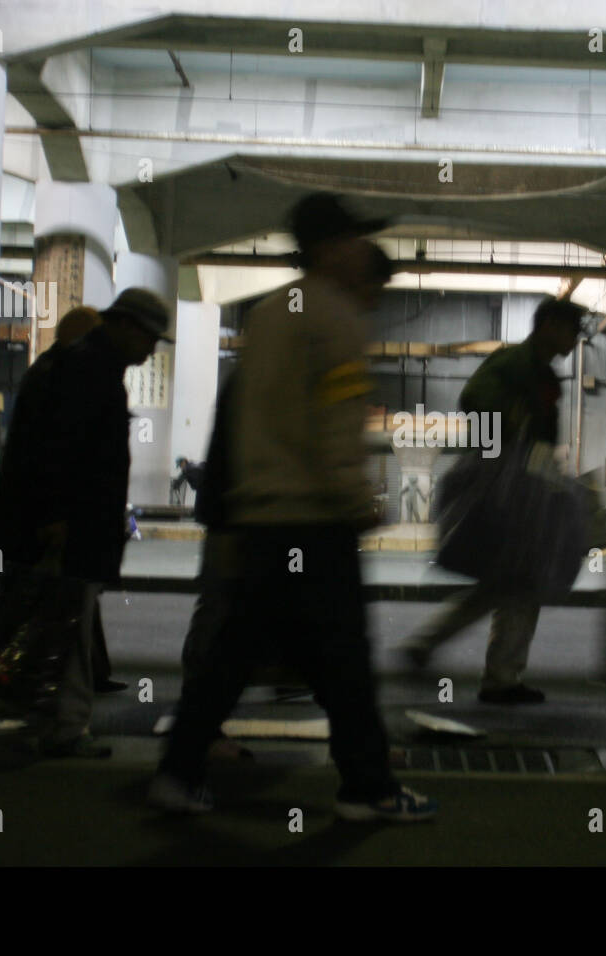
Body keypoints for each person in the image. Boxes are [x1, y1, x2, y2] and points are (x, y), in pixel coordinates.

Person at [152, 194, 435, 821]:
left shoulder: (276, 311)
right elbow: (335, 421)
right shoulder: (332, 315)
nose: (366, 251)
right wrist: (358, 500)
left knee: (235, 653)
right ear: (331, 246)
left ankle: (177, 772)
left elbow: (248, 420)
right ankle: (367, 788)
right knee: (345, 659)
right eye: (357, 240)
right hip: (314, 518)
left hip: (265, 517)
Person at [0, 289, 168, 758]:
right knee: (69, 622)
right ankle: (64, 726)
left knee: (61, 620)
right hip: (74, 526)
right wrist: (57, 517)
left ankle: (44, 714)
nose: (152, 349)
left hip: (74, 523)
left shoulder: (87, 366)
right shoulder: (88, 369)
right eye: (150, 338)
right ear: (125, 326)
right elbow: (62, 450)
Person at [397, 295, 586, 704]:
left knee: (505, 582)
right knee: (521, 582)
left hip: (521, 485)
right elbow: (474, 400)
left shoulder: (537, 369)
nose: (576, 338)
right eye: (573, 329)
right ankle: (500, 678)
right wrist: (509, 428)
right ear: (550, 324)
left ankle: (434, 646)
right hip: (515, 489)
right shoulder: (517, 363)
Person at [0, 305, 126, 697]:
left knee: (63, 599)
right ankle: (12, 682)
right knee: (36, 601)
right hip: (38, 518)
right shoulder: (59, 376)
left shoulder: (52, 372)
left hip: (33, 513)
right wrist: (56, 512)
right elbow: (53, 453)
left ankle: (82, 672)